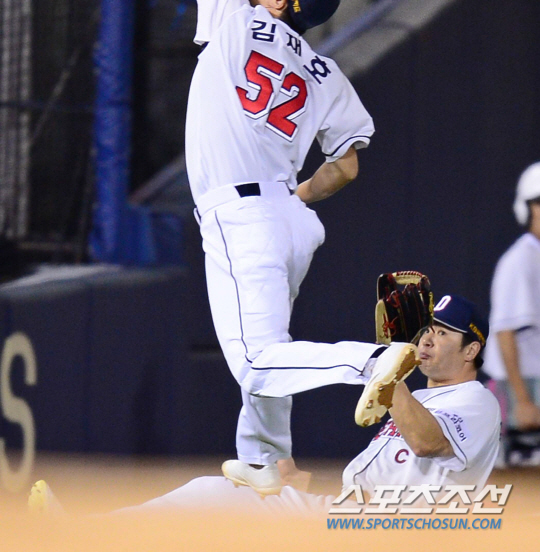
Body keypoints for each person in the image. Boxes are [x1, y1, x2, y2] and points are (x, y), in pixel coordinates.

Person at [183, 0, 404, 496]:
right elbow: (348, 165)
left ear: (281, 1)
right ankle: (267, 464)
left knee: (256, 362)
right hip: (287, 218)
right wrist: (299, 197)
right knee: (271, 352)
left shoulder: (233, 15)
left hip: (244, 214)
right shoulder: (327, 72)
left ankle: (369, 362)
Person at [30, 294, 501, 516]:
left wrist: (389, 374)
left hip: (398, 529)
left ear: (472, 350)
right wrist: (304, 481)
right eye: (426, 330)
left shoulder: (478, 401)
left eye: (443, 333)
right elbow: (380, 478)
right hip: (348, 511)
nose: (427, 340)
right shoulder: (418, 396)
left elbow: (425, 444)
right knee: (211, 496)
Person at [484, 162, 540, 451]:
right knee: (519, 473)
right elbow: (504, 332)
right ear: (527, 209)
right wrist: (523, 400)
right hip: (522, 386)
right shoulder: (519, 260)